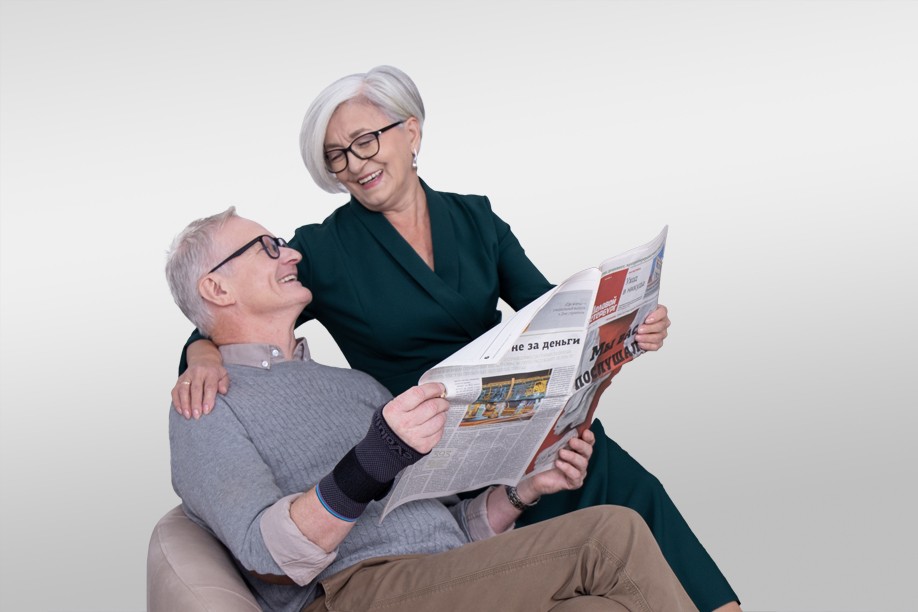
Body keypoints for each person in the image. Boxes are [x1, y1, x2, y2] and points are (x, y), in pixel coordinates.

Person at [173, 66, 740, 611]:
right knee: (605, 543)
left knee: (632, 496)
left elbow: (556, 315)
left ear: (410, 131)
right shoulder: (320, 252)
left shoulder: (474, 218)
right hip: (436, 456)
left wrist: (627, 330)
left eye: (365, 141)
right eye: (337, 156)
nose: (355, 164)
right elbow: (228, 320)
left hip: (528, 423)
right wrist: (201, 358)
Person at [164, 207, 697, 612]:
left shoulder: (354, 385)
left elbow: (442, 523)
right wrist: (374, 459)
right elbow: (267, 557)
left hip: (443, 575)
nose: (292, 254)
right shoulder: (206, 404)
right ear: (216, 287)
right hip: (356, 591)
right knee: (611, 535)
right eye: (267, 248)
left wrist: (525, 489)